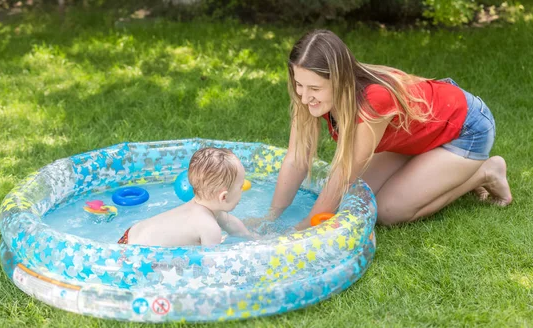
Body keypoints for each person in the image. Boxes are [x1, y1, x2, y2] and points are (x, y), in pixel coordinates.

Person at [259, 29, 512, 230]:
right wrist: (272, 218)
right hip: (419, 136)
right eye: (299, 85)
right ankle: (434, 168)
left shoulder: (372, 101)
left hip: (465, 128)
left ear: (340, 81)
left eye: (314, 88)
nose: (304, 97)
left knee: (388, 211)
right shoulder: (309, 96)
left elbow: (344, 174)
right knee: (358, 196)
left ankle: (485, 172)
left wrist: (307, 226)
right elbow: (296, 160)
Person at [118, 147, 254, 246]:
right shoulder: (210, 227)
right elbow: (212, 267)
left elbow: (234, 226)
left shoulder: (204, 207)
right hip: (136, 255)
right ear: (223, 197)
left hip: (129, 236)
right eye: (240, 187)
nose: (242, 190)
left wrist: (256, 239)